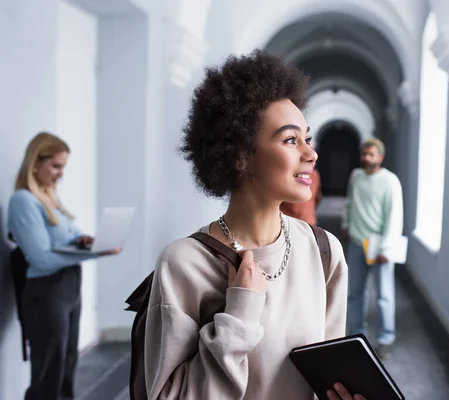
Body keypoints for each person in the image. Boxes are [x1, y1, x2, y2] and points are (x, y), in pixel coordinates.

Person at [144, 50, 367, 400]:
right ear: (240, 156)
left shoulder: (325, 252)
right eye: (291, 140)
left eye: (307, 139)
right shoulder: (183, 264)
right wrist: (241, 314)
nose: (311, 154)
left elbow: (328, 381)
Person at [7, 132, 121, 400]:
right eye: (56, 166)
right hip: (46, 293)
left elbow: (64, 240)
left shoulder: (51, 201)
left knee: (66, 371)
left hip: (69, 289)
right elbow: (41, 259)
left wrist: (83, 241)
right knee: (48, 376)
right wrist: (96, 254)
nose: (60, 174)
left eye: (63, 167)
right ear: (36, 162)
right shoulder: (23, 201)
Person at [342, 138, 403, 360]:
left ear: (381, 157)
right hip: (358, 243)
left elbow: (394, 216)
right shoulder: (356, 176)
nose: (366, 158)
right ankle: (357, 335)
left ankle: (386, 339)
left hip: (380, 247)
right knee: (355, 293)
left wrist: (386, 248)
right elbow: (349, 202)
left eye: (371, 154)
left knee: (384, 295)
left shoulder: (390, 181)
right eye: (364, 154)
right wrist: (346, 225)